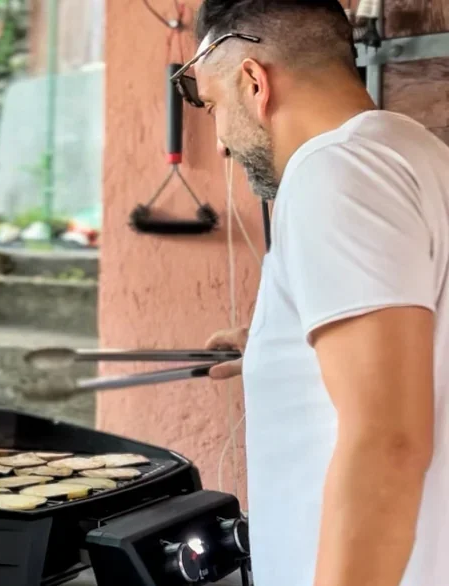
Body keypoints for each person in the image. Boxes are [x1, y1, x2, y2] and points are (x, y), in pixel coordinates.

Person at [171, 1, 449, 586]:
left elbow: (387, 442)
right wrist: (284, 346)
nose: (219, 140)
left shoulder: (335, 171)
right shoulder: (417, 153)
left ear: (254, 82)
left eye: (214, 106)